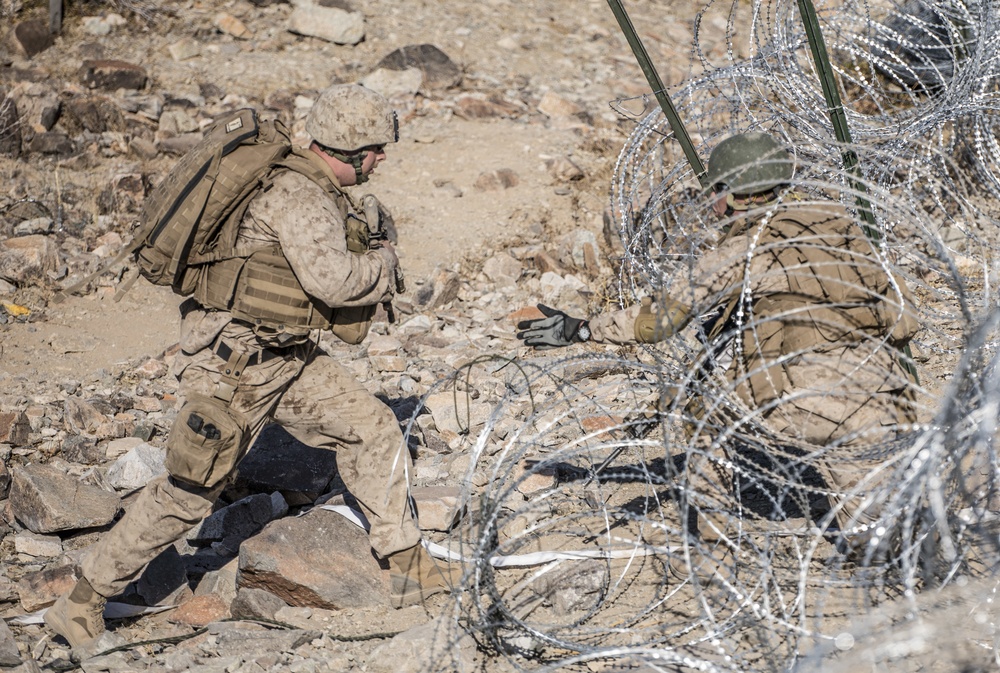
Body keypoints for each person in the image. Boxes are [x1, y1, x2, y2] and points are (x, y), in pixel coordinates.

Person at [46, 84, 457, 649]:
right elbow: (334, 281)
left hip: (287, 357)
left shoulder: (309, 183)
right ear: (349, 149)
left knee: (373, 428)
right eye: (376, 149)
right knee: (188, 494)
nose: (382, 159)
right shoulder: (301, 197)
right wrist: (384, 262)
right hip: (236, 368)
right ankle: (83, 600)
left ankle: (411, 570)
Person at [517, 132, 920, 560]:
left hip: (804, 398)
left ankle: (711, 546)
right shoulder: (839, 226)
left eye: (714, 190)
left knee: (703, 418)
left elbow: (658, 322)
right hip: (880, 393)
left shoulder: (744, 248)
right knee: (876, 545)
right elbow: (904, 314)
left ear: (730, 195)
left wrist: (582, 329)